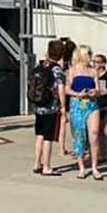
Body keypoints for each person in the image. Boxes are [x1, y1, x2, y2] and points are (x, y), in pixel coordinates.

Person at [67, 45, 103, 181]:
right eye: (88, 53)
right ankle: (81, 167)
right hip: (77, 104)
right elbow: (67, 89)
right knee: (79, 135)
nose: (91, 56)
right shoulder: (72, 71)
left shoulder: (93, 71)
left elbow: (98, 89)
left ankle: (95, 167)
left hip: (92, 104)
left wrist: (95, 92)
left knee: (94, 135)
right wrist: (77, 93)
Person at [32, 40, 66, 177]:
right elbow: (61, 88)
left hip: (38, 105)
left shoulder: (40, 66)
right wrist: (63, 107)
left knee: (39, 135)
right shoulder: (57, 69)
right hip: (50, 107)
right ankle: (46, 166)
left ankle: (36, 163)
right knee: (48, 137)